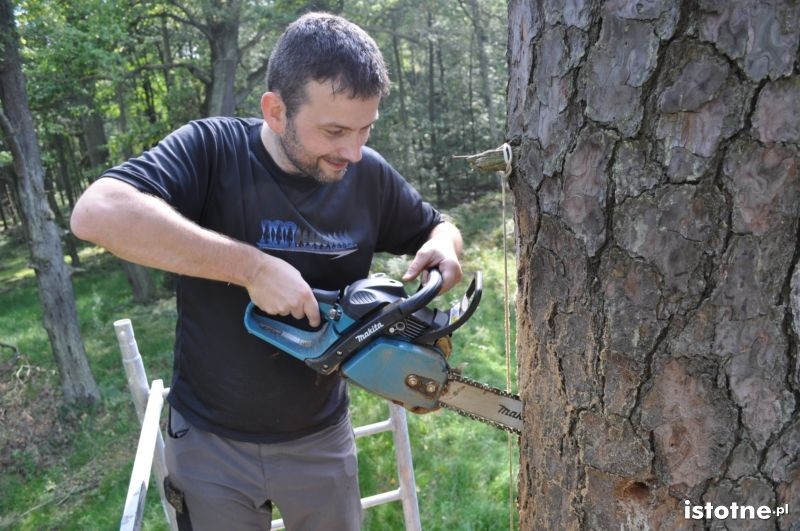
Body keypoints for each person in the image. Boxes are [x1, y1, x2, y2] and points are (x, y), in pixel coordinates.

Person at [70, 12, 462, 531]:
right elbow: (96, 213)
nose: (354, 150)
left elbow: (439, 227)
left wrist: (444, 246)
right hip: (210, 445)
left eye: (365, 129)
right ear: (276, 111)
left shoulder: (366, 175)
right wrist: (251, 267)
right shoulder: (211, 151)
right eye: (335, 130)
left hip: (321, 439)